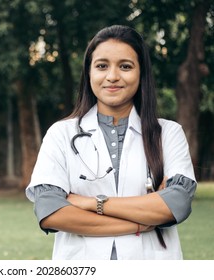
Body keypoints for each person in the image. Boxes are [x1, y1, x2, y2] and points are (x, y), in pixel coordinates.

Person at [25, 25, 197, 260]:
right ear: (89, 72)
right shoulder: (61, 134)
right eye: (102, 66)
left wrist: (88, 203)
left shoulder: (168, 133)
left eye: (125, 66)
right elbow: (50, 212)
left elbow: (176, 205)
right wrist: (138, 224)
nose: (112, 76)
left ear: (141, 73)